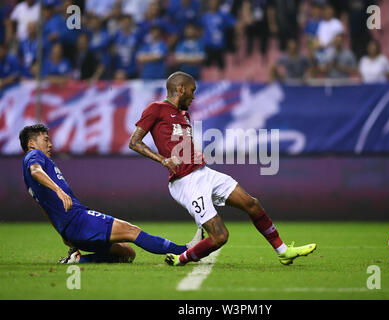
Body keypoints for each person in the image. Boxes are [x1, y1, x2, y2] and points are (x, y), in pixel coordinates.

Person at [129, 71, 317, 266]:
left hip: (203, 173)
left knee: (252, 204)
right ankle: (180, 259)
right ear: (181, 89)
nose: (194, 96)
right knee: (220, 237)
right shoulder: (156, 108)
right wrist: (162, 160)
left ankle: (283, 251)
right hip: (186, 182)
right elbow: (134, 142)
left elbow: (180, 144)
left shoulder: (184, 114)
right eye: (192, 91)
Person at [19, 124, 203, 264]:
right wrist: (59, 190)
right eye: (45, 140)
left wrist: (62, 233)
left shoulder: (32, 174)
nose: (50, 144)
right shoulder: (33, 157)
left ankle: (78, 260)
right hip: (79, 221)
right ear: (31, 143)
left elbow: (44, 206)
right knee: (132, 231)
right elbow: (36, 170)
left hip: (71, 229)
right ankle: (185, 250)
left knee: (126, 253)